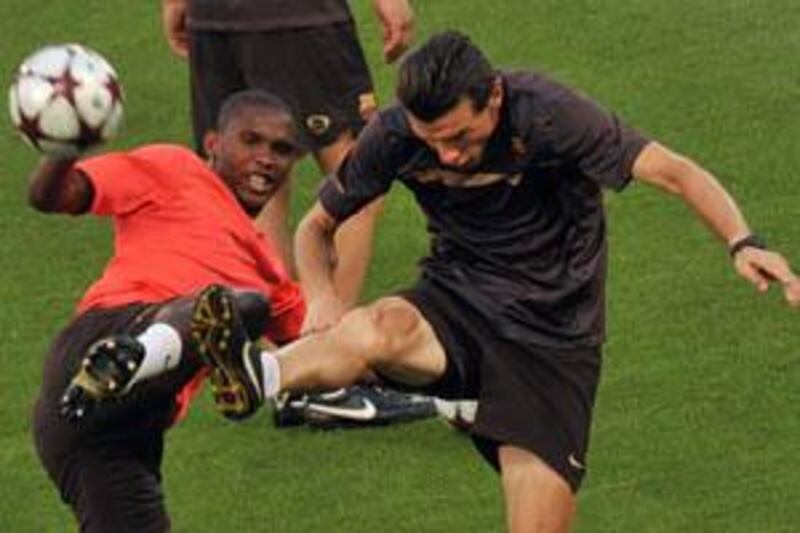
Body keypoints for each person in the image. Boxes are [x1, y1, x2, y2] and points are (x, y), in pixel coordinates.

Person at [68, 31, 800, 532]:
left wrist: (743, 239)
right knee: (375, 326)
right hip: (456, 302)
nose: (447, 157)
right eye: (431, 142)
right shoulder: (394, 136)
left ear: (495, 98)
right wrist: (322, 296)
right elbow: (314, 228)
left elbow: (673, 170)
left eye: (460, 136)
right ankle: (258, 375)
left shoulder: (553, 116)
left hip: (554, 343)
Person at [30, 90, 306, 532]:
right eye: (250, 141)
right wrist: (62, 149)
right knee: (234, 305)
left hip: (129, 433)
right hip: (100, 342)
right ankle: (131, 356)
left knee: (246, 305)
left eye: (281, 149)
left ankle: (138, 361)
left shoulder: (271, 273)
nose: (266, 159)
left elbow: (324, 349)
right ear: (213, 143)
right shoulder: (174, 169)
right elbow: (53, 195)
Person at [160, 0, 434, 428]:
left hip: (212, 20)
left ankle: (287, 372)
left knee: (258, 184)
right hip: (294, 17)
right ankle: (331, 371)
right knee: (358, 177)